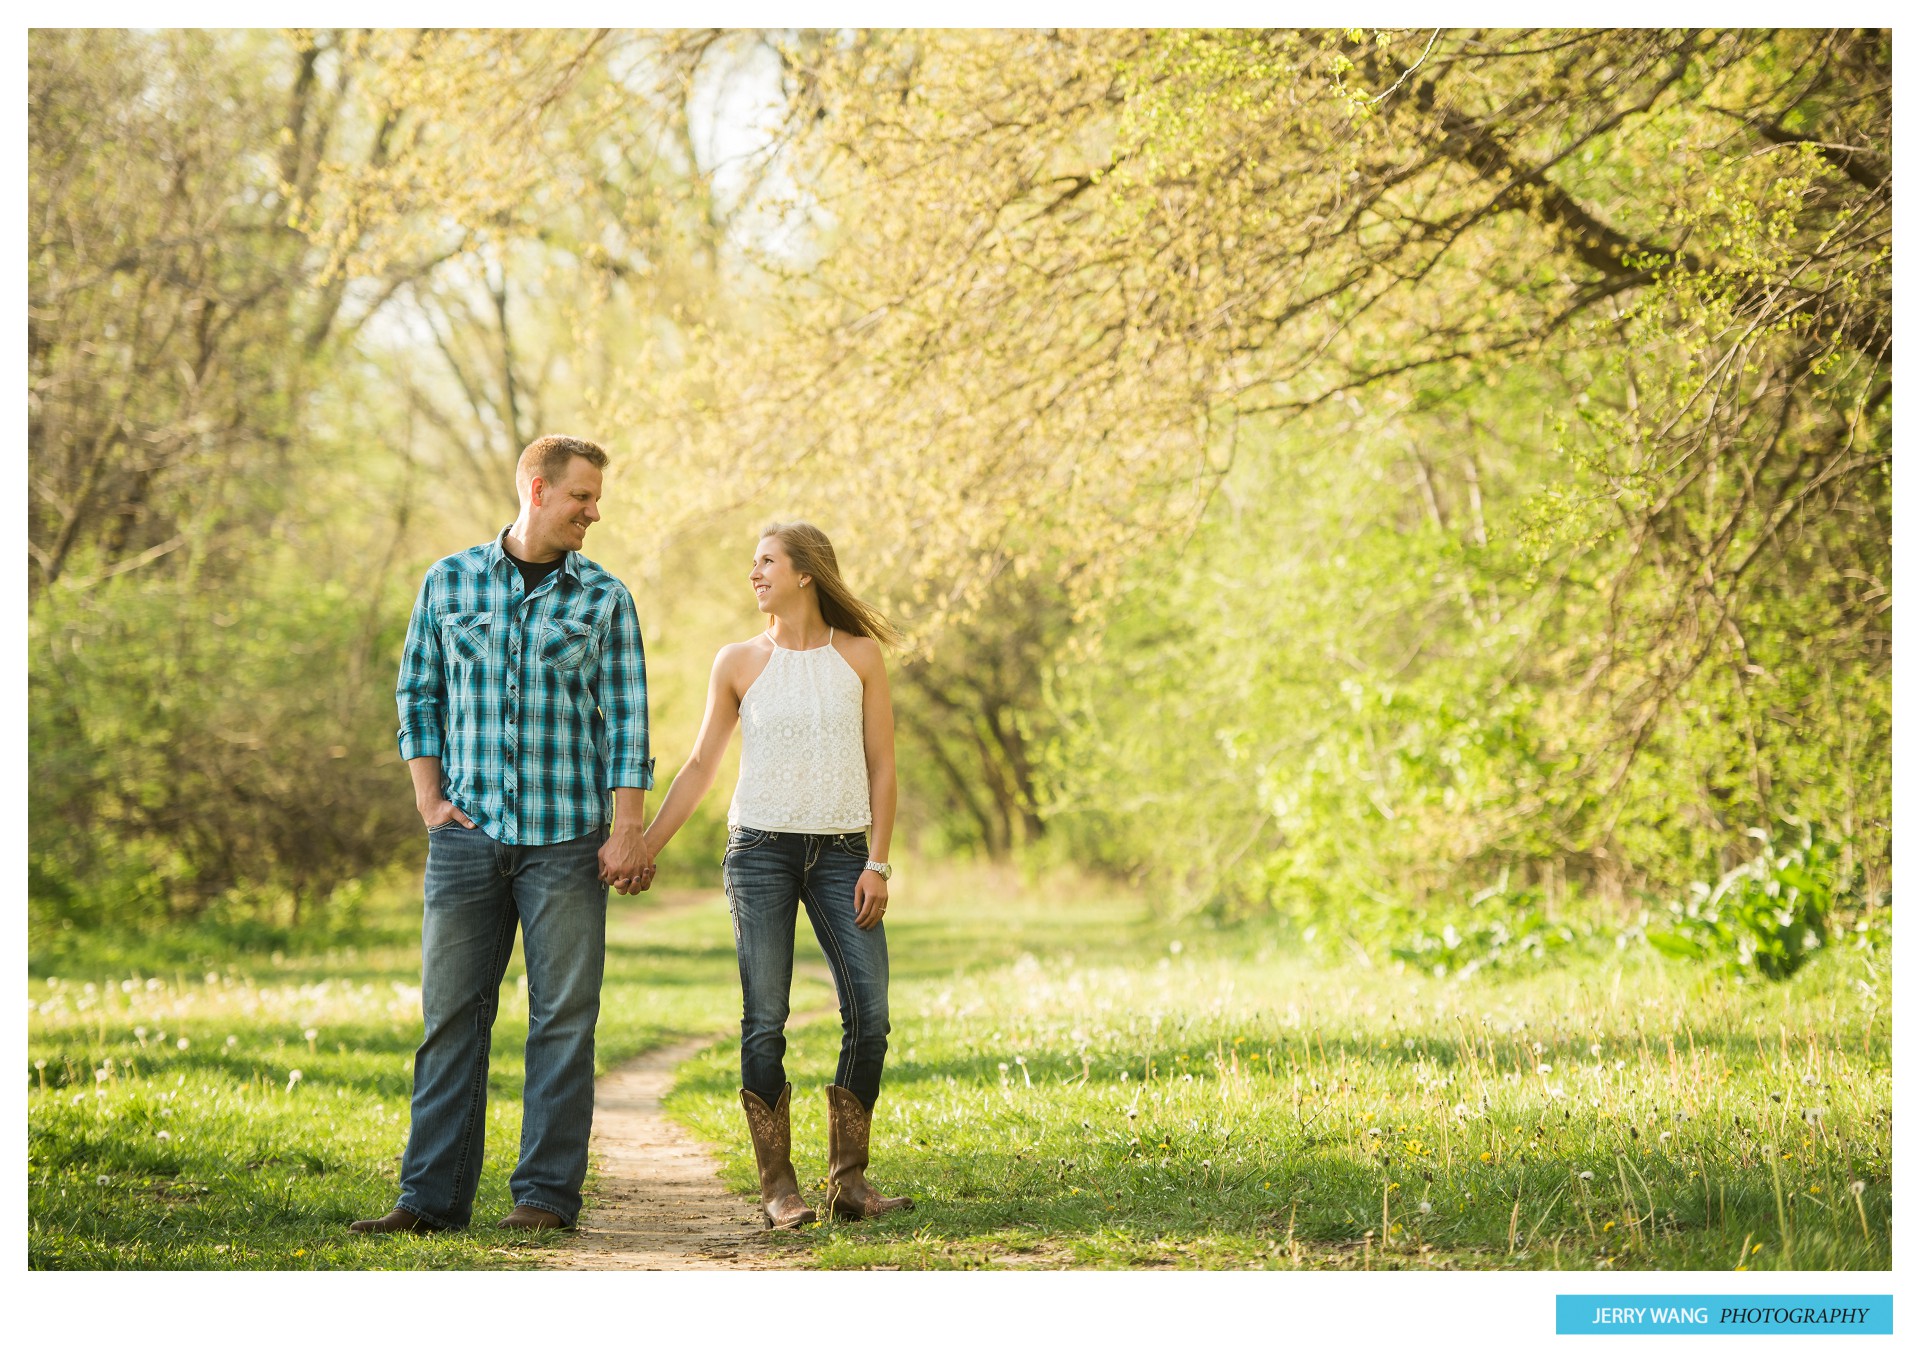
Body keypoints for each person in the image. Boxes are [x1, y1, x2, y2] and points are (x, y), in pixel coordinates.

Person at [352, 434, 655, 1234]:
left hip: (566, 839)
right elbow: (416, 692)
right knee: (450, 1016)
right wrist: (427, 797)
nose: (596, 510)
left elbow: (628, 723)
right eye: (583, 495)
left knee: (563, 1018)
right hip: (466, 834)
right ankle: (429, 1198)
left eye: (596, 497)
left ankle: (544, 1197)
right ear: (536, 487)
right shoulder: (447, 581)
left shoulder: (606, 599)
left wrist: (628, 830)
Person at [642, 521, 912, 1228]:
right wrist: (646, 843)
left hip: (844, 854)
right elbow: (701, 765)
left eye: (766, 561)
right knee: (765, 1018)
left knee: (871, 1013)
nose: (754, 573)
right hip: (759, 850)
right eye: (752, 560)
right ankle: (778, 1187)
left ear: (805, 573)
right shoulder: (737, 661)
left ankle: (849, 1181)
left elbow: (883, 767)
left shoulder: (859, 656)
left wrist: (878, 862)